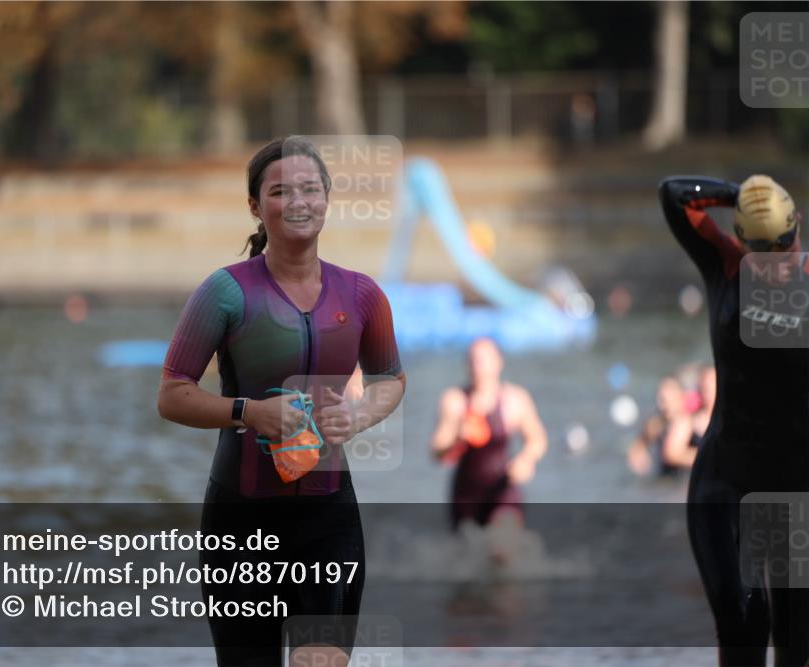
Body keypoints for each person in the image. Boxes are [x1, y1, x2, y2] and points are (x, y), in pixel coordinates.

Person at [157, 136, 406, 667]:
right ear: (255, 206)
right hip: (240, 520)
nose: (299, 201)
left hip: (329, 517)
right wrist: (250, 412)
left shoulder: (362, 295)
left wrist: (360, 415)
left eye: (311, 189)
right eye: (281, 191)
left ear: (327, 199)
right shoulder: (225, 293)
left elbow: (390, 378)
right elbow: (173, 394)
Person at [659, 174, 807, 666]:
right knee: (745, 627)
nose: (775, 267)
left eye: (783, 253)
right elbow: (675, 194)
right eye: (761, 255)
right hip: (725, 483)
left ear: (798, 232)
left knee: (796, 641)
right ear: (743, 243)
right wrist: (742, 193)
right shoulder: (724, 266)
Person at [429, 337, 547, 563]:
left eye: (482, 361)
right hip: (466, 495)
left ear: (498, 362)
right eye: (472, 361)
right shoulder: (455, 401)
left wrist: (527, 459)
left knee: (501, 552)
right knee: (468, 567)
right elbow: (436, 451)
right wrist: (456, 439)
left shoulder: (515, 399)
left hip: (503, 489)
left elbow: (537, 438)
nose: (477, 367)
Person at [627, 376, 698, 477]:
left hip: (685, 481)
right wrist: (639, 452)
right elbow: (637, 449)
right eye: (662, 399)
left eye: (668, 399)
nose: (663, 406)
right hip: (666, 481)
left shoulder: (687, 421)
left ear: (681, 396)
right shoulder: (657, 423)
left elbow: (672, 455)